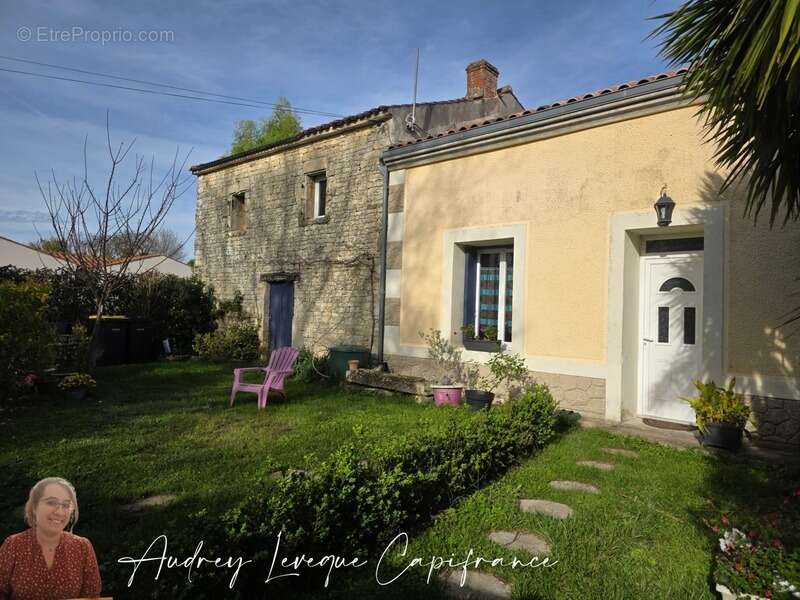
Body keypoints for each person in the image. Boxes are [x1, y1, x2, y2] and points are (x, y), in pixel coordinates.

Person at [0, 477, 102, 599]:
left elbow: (91, 597)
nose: (59, 512)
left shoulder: (82, 547)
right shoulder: (14, 544)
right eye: (51, 502)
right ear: (34, 507)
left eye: (66, 505)